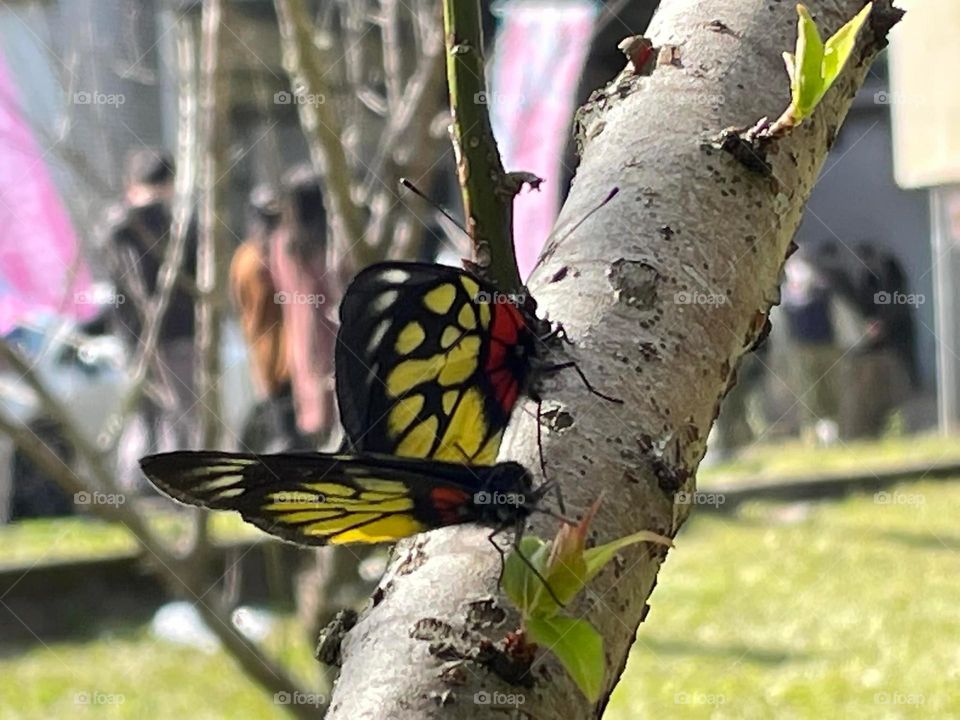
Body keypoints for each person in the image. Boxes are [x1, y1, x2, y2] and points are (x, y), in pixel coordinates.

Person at [102, 149, 198, 455]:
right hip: (178, 335)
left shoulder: (115, 227)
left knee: (143, 420)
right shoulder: (178, 225)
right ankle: (178, 485)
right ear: (170, 182)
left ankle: (135, 486)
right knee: (182, 417)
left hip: (132, 339)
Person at [230, 184, 306, 451]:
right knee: (290, 437)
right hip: (283, 356)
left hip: (269, 355)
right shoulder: (266, 259)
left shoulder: (244, 257)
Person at [269, 166, 338, 447]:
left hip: (298, 329)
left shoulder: (281, 242)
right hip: (328, 327)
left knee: (313, 407)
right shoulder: (324, 242)